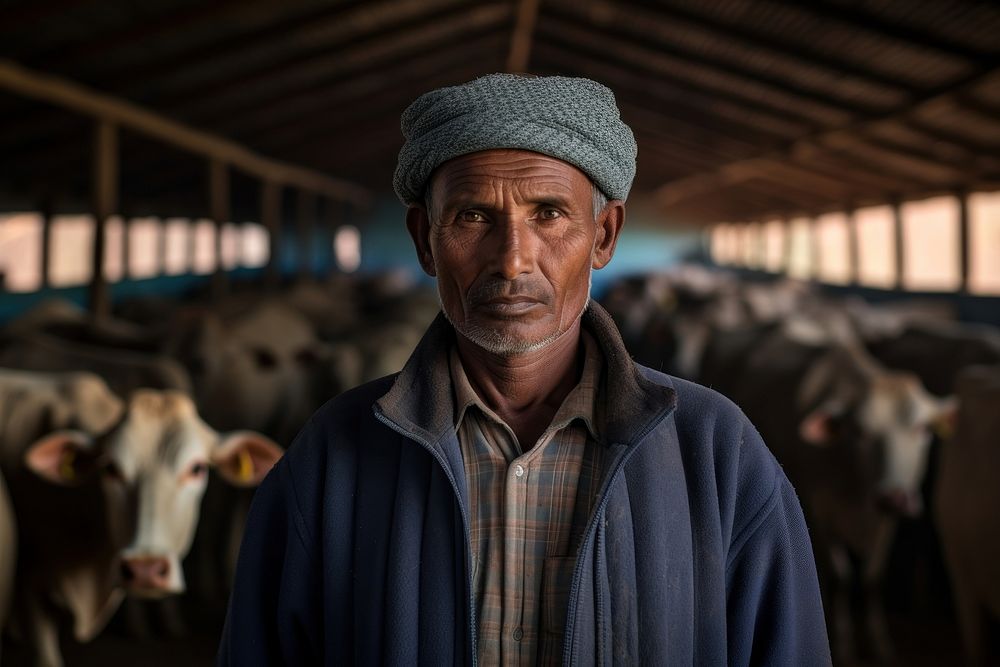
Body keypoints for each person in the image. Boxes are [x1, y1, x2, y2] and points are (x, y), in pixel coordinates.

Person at [218, 74, 831, 666]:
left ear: (604, 235)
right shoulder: (335, 452)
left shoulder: (716, 450)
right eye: (472, 217)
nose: (512, 260)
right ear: (425, 241)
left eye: (549, 214)